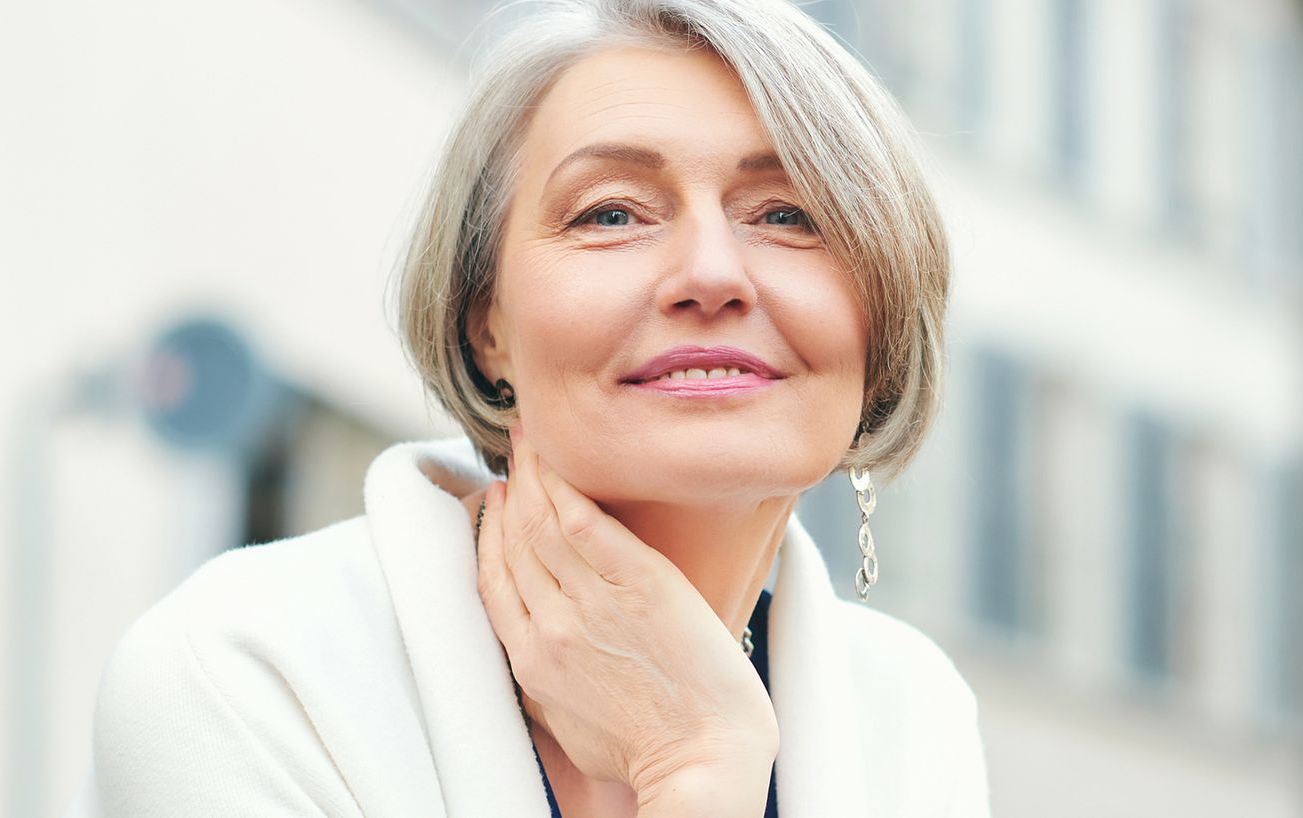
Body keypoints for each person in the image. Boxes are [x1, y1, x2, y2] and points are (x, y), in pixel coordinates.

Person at [68, 0, 991, 815]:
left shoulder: (913, 718)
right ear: (486, 328)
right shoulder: (246, 677)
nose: (711, 273)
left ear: (881, 319)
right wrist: (696, 771)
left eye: (788, 214)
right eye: (611, 213)